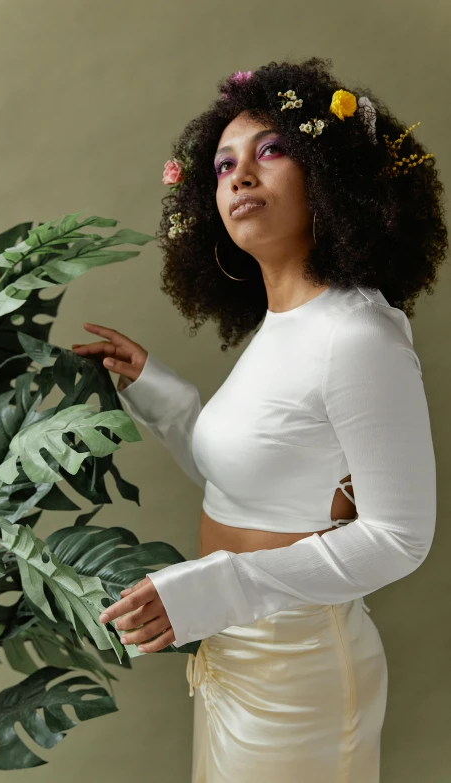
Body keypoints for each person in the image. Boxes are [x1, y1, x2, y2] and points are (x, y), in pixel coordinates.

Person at [71, 56, 446, 782]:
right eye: (222, 164)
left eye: (270, 151)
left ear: (327, 174)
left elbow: (402, 538)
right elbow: (248, 477)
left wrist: (216, 587)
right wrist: (156, 388)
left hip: (299, 662)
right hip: (233, 651)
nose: (240, 175)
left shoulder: (357, 334)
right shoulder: (282, 328)